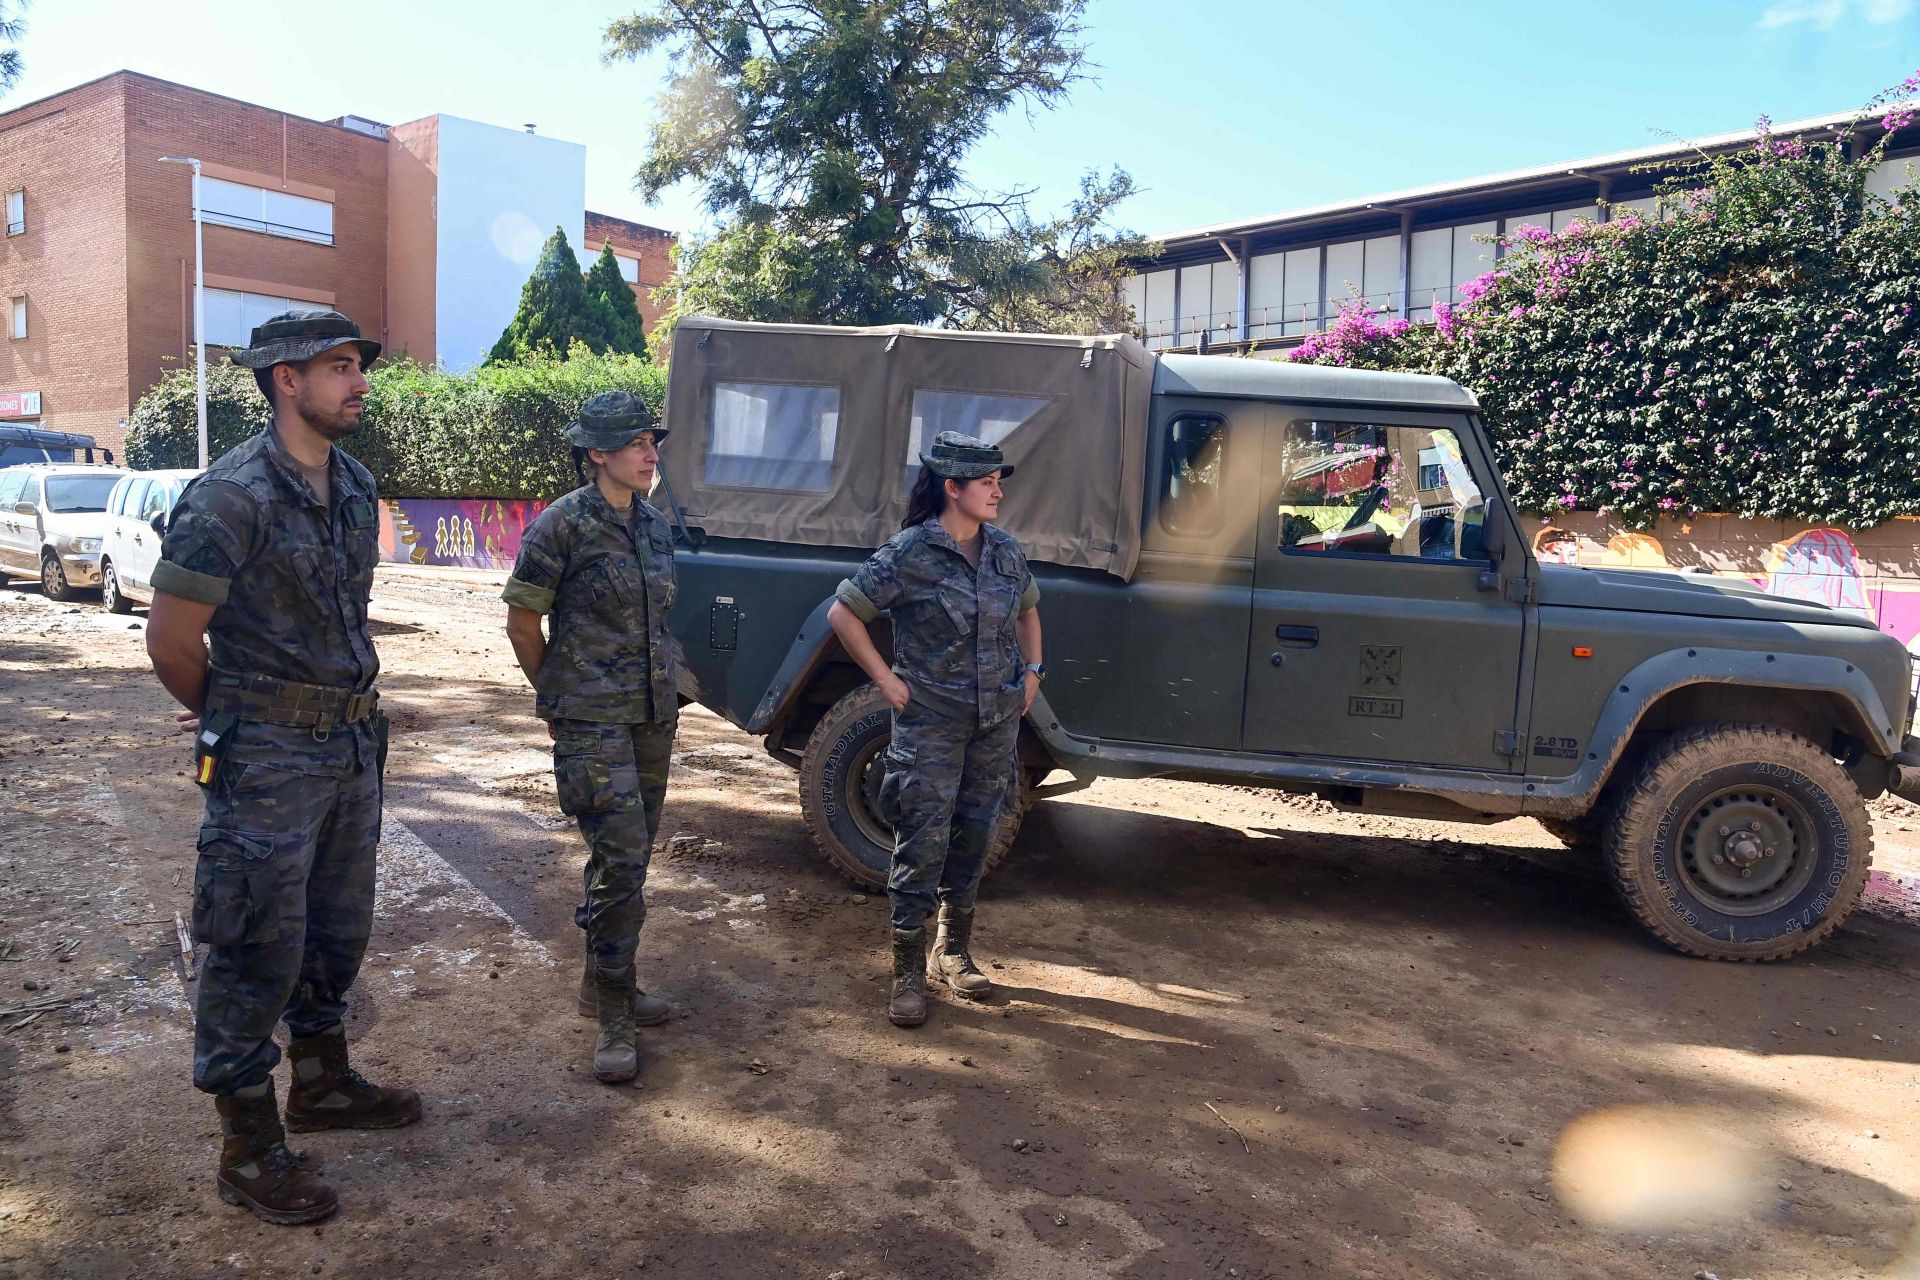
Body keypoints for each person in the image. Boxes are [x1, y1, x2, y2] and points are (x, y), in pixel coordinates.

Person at [145, 309, 420, 1227]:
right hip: (265, 759)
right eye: (337, 368)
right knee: (252, 941)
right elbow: (173, 640)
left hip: (348, 746)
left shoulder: (352, 484)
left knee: (335, 930)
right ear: (284, 381)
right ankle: (249, 1149)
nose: (358, 382)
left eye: (358, 366)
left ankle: (325, 1083)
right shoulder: (230, 496)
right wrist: (236, 712)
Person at [827, 430, 1044, 1028]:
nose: (997, 491)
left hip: (994, 723)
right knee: (921, 841)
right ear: (952, 489)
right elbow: (843, 612)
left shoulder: (1003, 550)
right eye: (987, 482)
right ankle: (906, 970)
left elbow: (1028, 609)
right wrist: (886, 683)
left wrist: (1033, 671)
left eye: (999, 480)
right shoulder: (909, 554)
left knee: (977, 834)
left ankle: (954, 949)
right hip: (931, 726)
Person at [502, 391, 679, 1084]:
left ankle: (605, 979)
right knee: (621, 855)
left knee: (629, 864)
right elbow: (523, 623)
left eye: (651, 441)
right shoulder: (561, 527)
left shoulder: (657, 527)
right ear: (596, 454)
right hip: (591, 720)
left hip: (651, 718)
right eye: (635, 443)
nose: (649, 452)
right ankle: (612, 1011)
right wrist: (558, 697)